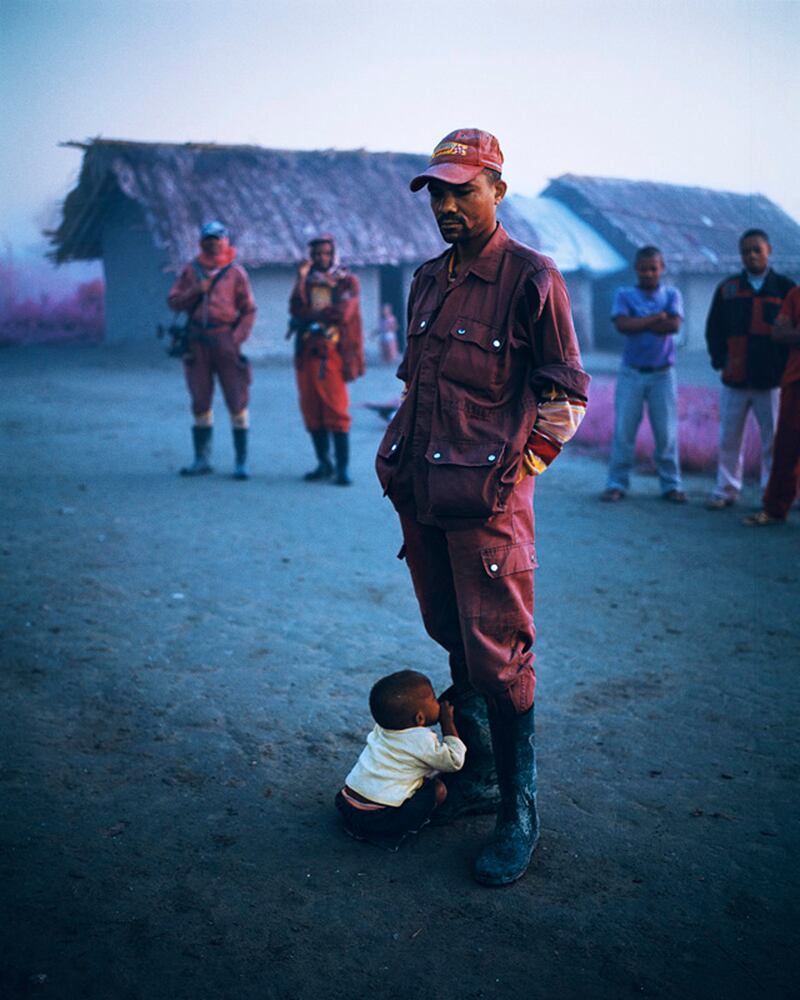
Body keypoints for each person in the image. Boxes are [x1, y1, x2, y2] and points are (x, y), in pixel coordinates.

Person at [375, 129, 589, 886]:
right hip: (427, 498)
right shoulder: (428, 279)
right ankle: (481, 778)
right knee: (456, 642)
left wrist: (522, 470)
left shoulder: (533, 276)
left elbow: (566, 392)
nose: (446, 204)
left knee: (502, 657)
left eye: (462, 189)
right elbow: (417, 384)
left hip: (489, 507)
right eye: (437, 191)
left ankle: (518, 810)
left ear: (497, 187)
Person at [705, 229, 794, 509]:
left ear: (769, 249)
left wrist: (783, 369)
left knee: (773, 441)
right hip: (735, 378)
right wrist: (721, 361)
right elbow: (714, 329)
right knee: (729, 439)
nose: (751, 255)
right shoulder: (728, 289)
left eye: (757, 249)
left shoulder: (785, 289)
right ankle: (726, 490)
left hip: (771, 380)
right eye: (746, 251)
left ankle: (772, 492)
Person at [335, 670, 465, 850]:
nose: (439, 703)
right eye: (434, 700)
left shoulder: (381, 729)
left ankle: (355, 826)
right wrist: (448, 723)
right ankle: (387, 832)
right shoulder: (421, 740)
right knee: (438, 790)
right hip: (380, 817)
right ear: (420, 718)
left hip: (346, 803)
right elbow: (454, 761)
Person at [167, 221, 256, 480]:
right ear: (201, 242)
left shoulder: (236, 273)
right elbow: (173, 302)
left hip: (225, 340)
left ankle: (241, 462)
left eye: (217, 238)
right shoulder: (191, 271)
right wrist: (196, 290)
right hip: (197, 342)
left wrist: (235, 339)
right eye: (208, 239)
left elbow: (249, 309)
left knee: (236, 399)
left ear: (225, 241)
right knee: (200, 399)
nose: (213, 243)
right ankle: (201, 459)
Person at [601, 247, 686, 503]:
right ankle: (617, 483)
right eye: (643, 268)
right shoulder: (624, 294)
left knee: (666, 433)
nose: (648, 273)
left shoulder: (672, 294)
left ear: (662, 269)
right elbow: (623, 326)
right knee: (624, 432)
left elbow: (672, 325)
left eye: (653, 268)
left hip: (663, 374)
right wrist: (655, 317)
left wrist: (641, 321)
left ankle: (671, 485)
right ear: (636, 269)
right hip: (631, 373)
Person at [289, 235, 365, 486]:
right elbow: (295, 308)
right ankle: (324, 463)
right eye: (317, 254)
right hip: (307, 351)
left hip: (332, 352)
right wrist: (301, 279)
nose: (322, 258)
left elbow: (343, 313)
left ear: (333, 254)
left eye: (326, 253)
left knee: (336, 407)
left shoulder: (346, 281)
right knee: (311, 408)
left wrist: (312, 314)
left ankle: (343, 468)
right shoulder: (306, 282)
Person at [743, 285, 800, 526]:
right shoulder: (796, 295)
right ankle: (775, 508)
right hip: (796, 381)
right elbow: (779, 333)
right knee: (786, 448)